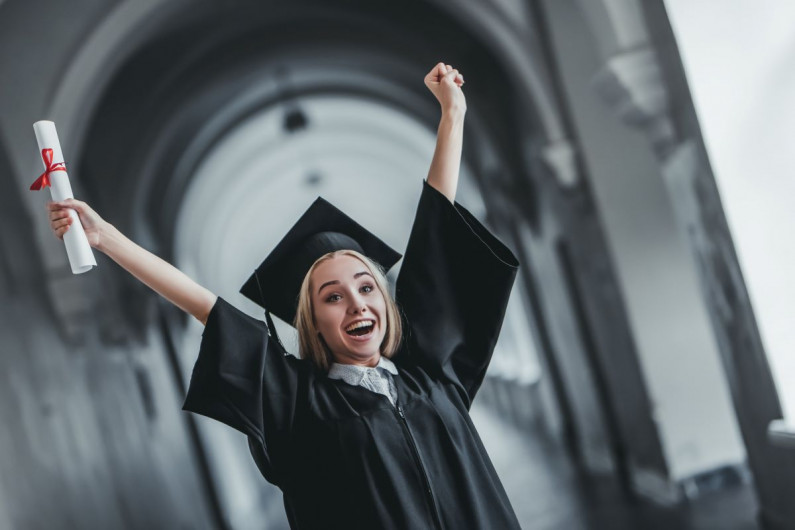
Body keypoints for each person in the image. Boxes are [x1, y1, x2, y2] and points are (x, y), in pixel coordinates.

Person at [47, 62, 521, 529]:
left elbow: (434, 241)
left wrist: (451, 116)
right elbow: (206, 307)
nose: (357, 304)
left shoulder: (432, 373)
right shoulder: (299, 404)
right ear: (310, 320)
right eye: (332, 297)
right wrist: (107, 239)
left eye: (366, 287)